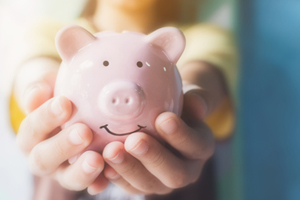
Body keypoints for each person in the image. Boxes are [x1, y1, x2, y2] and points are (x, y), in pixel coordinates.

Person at [7, 0, 238, 199]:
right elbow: (34, 63)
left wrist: (187, 93)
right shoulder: (48, 32)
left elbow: (203, 70)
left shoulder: (202, 37)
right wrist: (39, 87)